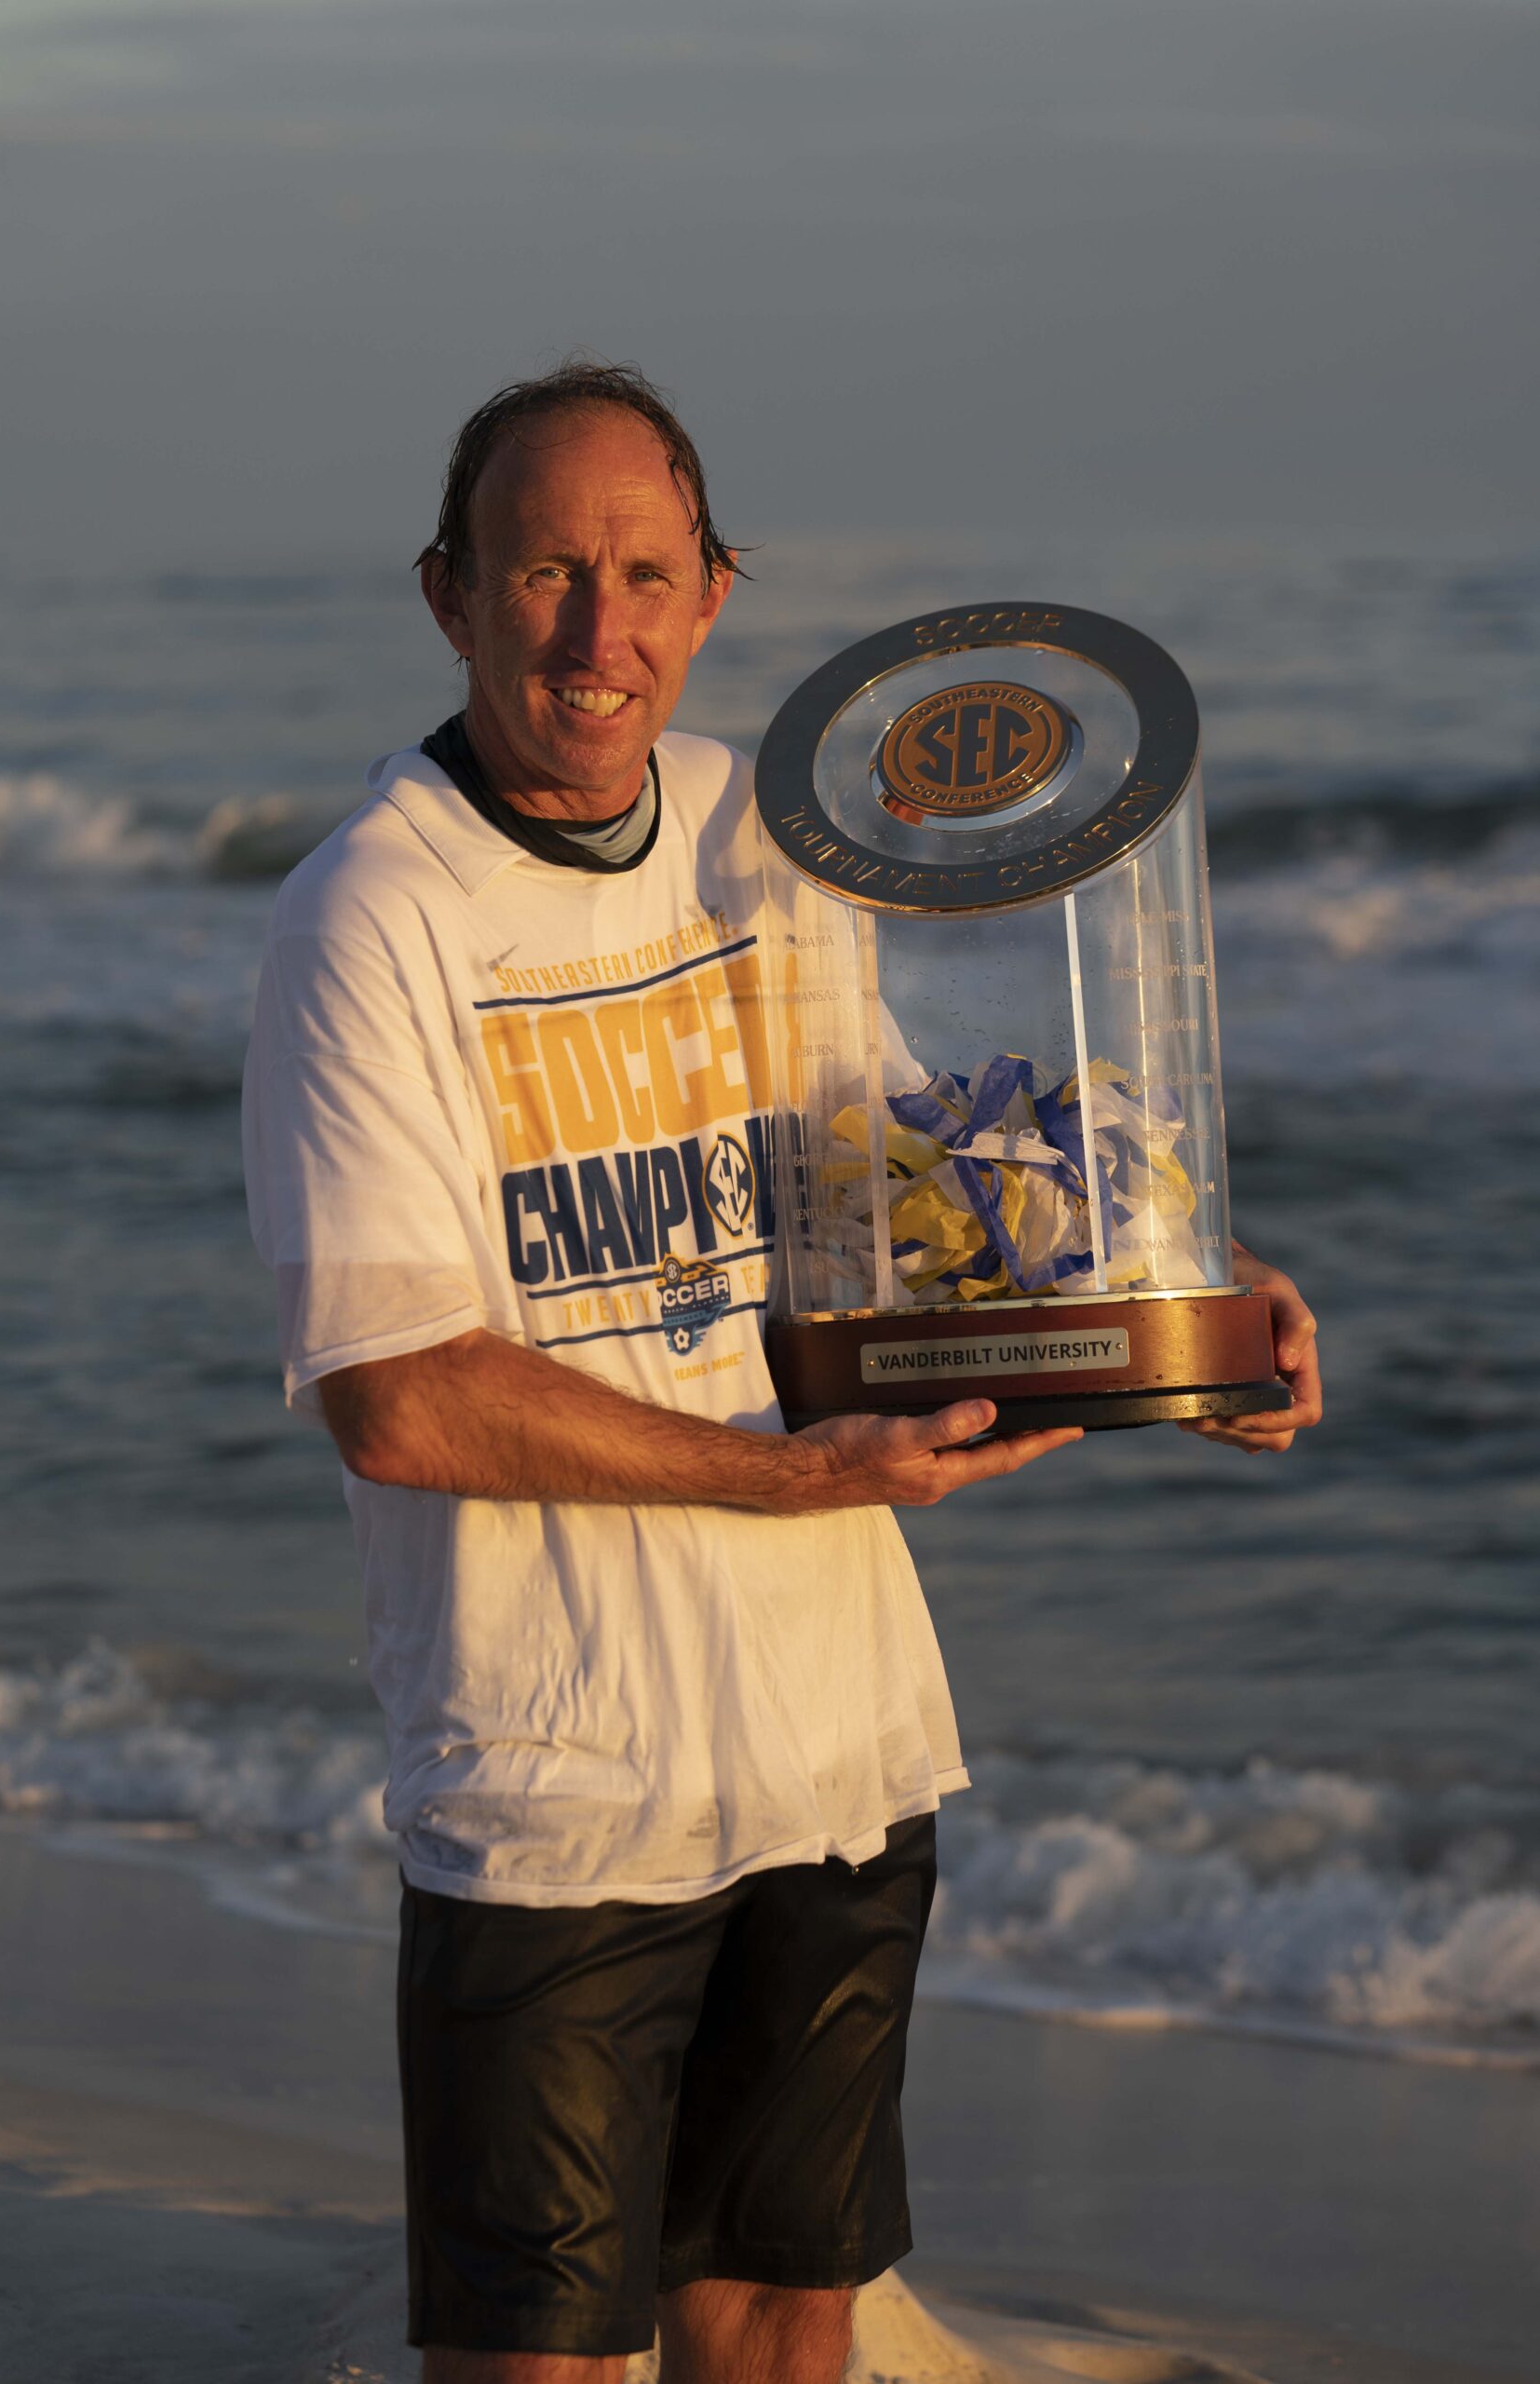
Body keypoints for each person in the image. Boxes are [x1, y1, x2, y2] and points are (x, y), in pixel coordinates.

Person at [241, 361, 1321, 2384]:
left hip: (831, 1748)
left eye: (640, 570)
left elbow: (919, 1179)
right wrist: (793, 1479)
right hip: (556, 1789)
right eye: (543, 568)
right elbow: (402, 1391)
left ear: (715, 588)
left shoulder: (767, 835)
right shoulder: (370, 917)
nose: (595, 628)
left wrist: (1198, 1303)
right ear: (446, 595)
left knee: (777, 2318)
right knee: (538, 2358)